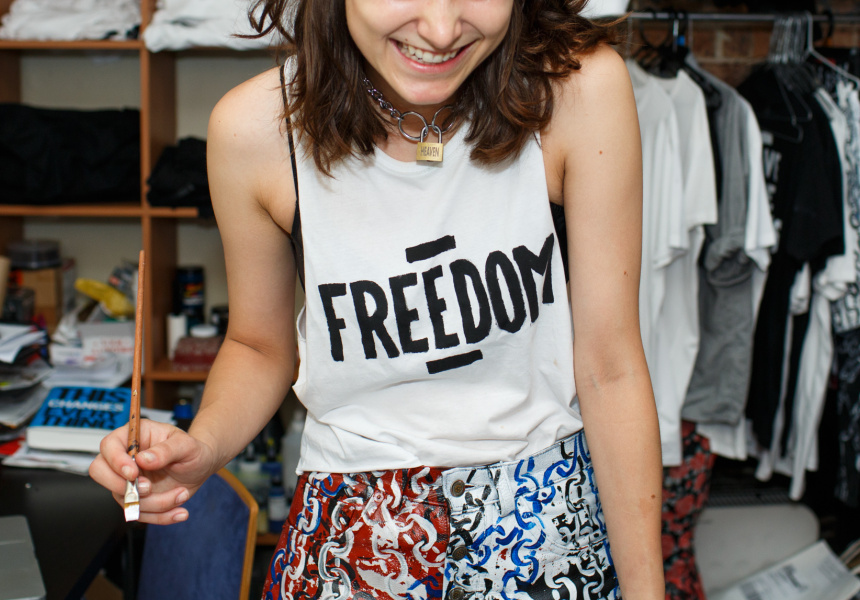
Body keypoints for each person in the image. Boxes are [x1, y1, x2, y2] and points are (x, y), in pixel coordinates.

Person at [90, 1, 664, 598]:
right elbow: (259, 345)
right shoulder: (254, 130)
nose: (441, 31)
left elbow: (610, 366)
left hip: (546, 529)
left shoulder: (578, 91)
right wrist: (203, 447)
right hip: (350, 539)